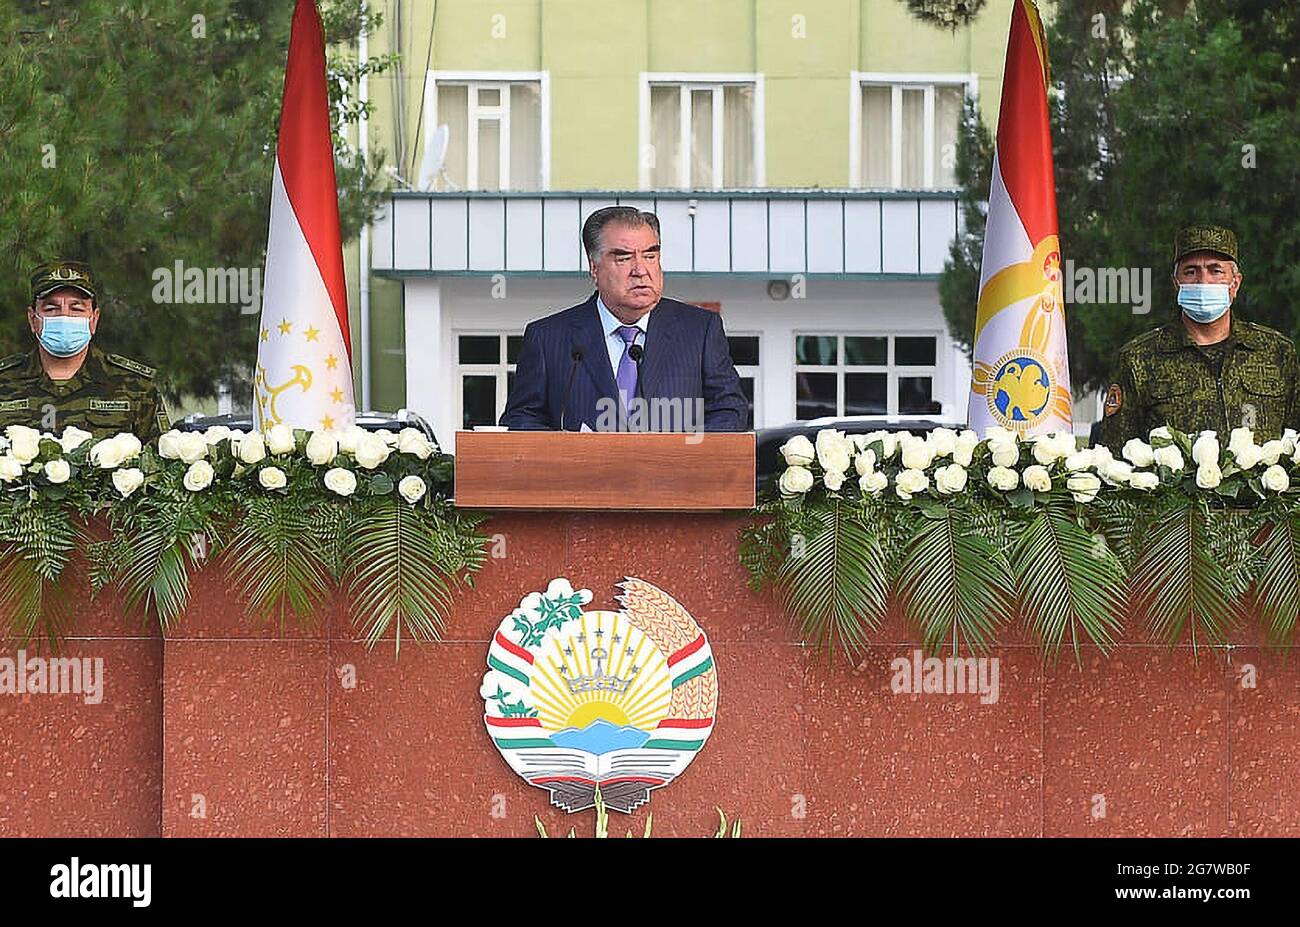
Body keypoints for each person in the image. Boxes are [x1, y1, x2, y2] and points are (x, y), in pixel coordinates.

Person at [500, 206, 748, 432]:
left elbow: (729, 411)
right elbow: (522, 419)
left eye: (650, 256)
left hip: (672, 477)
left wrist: (678, 453)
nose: (641, 270)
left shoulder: (700, 330)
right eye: (624, 258)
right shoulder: (547, 337)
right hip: (582, 479)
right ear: (594, 268)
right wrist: (569, 451)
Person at [1098, 224, 1299, 448]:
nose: (1203, 281)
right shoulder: (1139, 359)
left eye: (1216, 271)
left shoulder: (1276, 351)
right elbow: (1113, 457)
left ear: (1235, 284)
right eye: (1191, 271)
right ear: (1177, 284)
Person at [0, 261, 170, 442]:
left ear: (94, 319)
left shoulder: (137, 386)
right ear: (33, 319)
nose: (64, 316)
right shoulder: (5, 381)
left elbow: (161, 462)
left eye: (76, 308)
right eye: (51, 308)